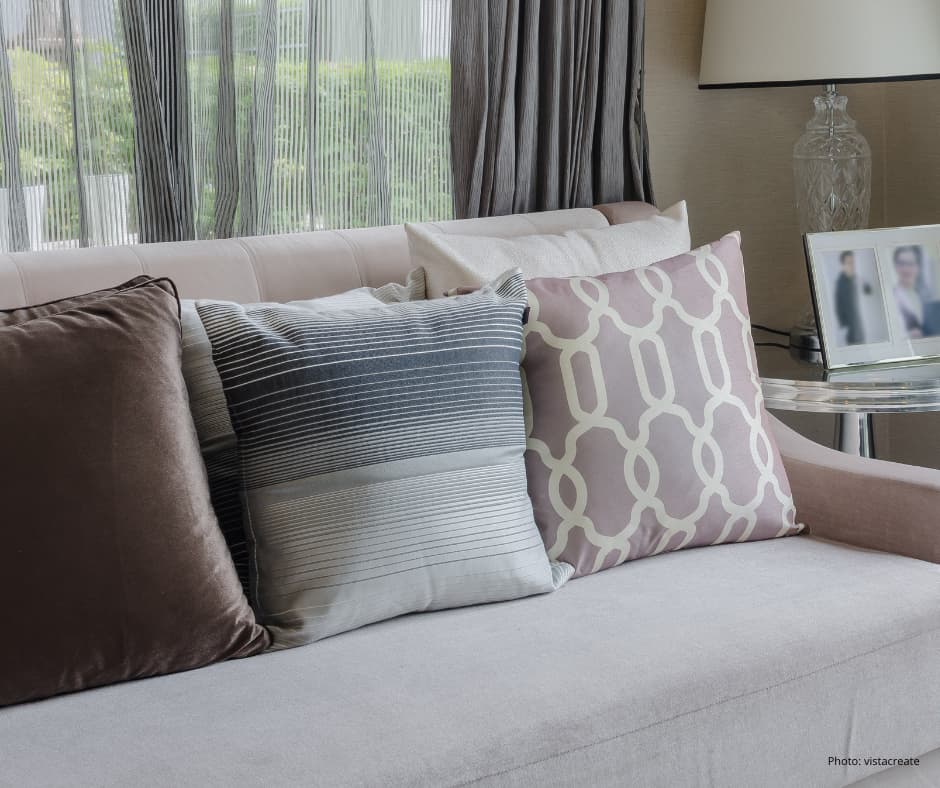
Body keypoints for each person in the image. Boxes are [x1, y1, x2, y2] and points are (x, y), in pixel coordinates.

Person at [892, 245, 934, 339]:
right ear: (895, 266)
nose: (906, 269)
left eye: (911, 263)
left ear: (918, 267)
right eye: (901, 263)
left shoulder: (925, 294)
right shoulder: (892, 297)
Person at [834, 250, 864, 345]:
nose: (852, 265)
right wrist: (845, 326)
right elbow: (839, 306)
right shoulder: (841, 283)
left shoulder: (855, 278)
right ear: (843, 265)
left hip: (859, 329)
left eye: (853, 262)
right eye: (849, 263)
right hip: (851, 332)